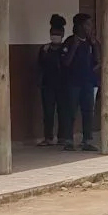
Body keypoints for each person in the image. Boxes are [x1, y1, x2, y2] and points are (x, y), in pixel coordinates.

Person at [61, 13, 100, 152]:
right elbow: (65, 62)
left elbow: (98, 61)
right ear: (79, 26)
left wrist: (94, 44)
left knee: (88, 111)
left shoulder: (91, 42)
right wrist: (74, 47)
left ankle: (87, 140)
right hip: (73, 83)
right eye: (87, 24)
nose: (90, 27)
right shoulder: (70, 41)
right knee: (71, 111)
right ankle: (69, 140)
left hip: (88, 82)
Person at [38, 14, 67, 147]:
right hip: (48, 85)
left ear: (62, 34)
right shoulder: (44, 49)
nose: (54, 35)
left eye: (57, 33)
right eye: (52, 33)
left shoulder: (65, 49)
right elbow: (40, 67)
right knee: (48, 112)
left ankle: (62, 137)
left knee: (63, 111)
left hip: (62, 85)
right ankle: (48, 137)